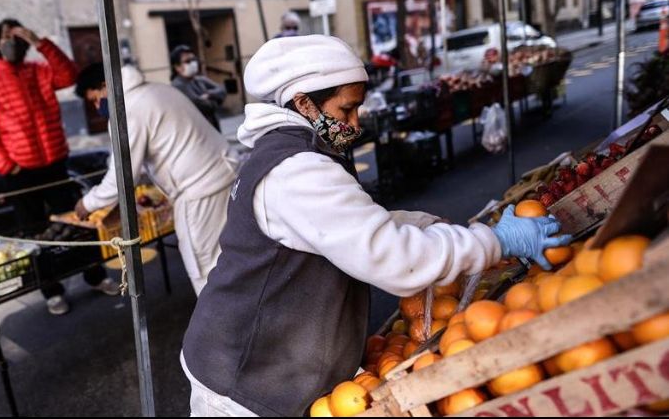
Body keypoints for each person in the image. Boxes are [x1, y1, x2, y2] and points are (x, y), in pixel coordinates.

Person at [181, 35, 570, 417]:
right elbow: (395, 260)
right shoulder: (295, 171)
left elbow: (346, 223)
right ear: (303, 103)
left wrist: (424, 224)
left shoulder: (296, 151)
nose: (355, 123)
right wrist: (494, 242)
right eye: (346, 110)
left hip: (259, 363)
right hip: (241, 382)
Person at [0, 19, 119, 316]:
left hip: (55, 164)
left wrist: (39, 41)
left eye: (17, 37)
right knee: (35, 233)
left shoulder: (39, 71)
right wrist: (5, 165)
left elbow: (69, 75)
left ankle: (95, 275)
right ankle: (51, 290)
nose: (13, 43)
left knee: (77, 222)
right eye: (6, 37)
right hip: (19, 173)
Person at [73, 63, 238, 295]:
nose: (97, 106)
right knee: (231, 256)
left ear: (104, 86)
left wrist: (88, 203)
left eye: (95, 98)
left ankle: (223, 328)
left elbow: (122, 176)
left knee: (204, 269)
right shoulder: (158, 90)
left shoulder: (126, 109)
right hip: (225, 175)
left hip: (199, 190)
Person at [170, 45, 226, 130]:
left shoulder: (200, 79)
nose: (192, 63)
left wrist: (209, 95)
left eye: (193, 60)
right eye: (187, 61)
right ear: (177, 67)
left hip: (213, 127)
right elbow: (201, 106)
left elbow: (222, 90)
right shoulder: (178, 85)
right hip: (196, 132)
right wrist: (215, 100)